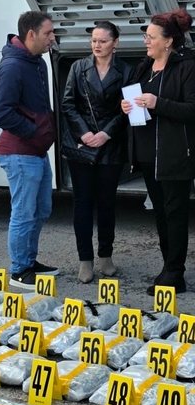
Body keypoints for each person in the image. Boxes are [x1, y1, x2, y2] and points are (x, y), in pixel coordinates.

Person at [120, 9, 195, 295]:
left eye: (151, 37)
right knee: (161, 215)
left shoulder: (187, 67)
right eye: (145, 36)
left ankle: (175, 273)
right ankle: (168, 266)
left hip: (176, 154)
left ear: (168, 41)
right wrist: (126, 106)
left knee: (175, 213)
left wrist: (158, 102)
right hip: (148, 153)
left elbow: (192, 109)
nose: (145, 41)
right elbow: (132, 97)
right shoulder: (144, 67)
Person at [0, 11, 59, 290]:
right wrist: (34, 131)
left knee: (41, 209)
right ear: (31, 34)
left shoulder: (37, 63)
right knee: (23, 212)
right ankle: (19, 270)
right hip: (19, 153)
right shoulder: (12, 67)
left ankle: (30, 261)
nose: (52, 38)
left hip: (36, 152)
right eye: (48, 33)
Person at [60, 21, 131, 283]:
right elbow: (68, 104)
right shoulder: (78, 67)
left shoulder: (126, 70)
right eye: (93, 41)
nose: (97, 46)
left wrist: (106, 133)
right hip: (83, 146)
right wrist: (85, 134)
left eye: (102, 41)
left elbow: (128, 109)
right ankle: (85, 260)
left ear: (115, 43)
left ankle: (106, 257)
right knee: (82, 204)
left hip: (111, 145)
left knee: (107, 204)